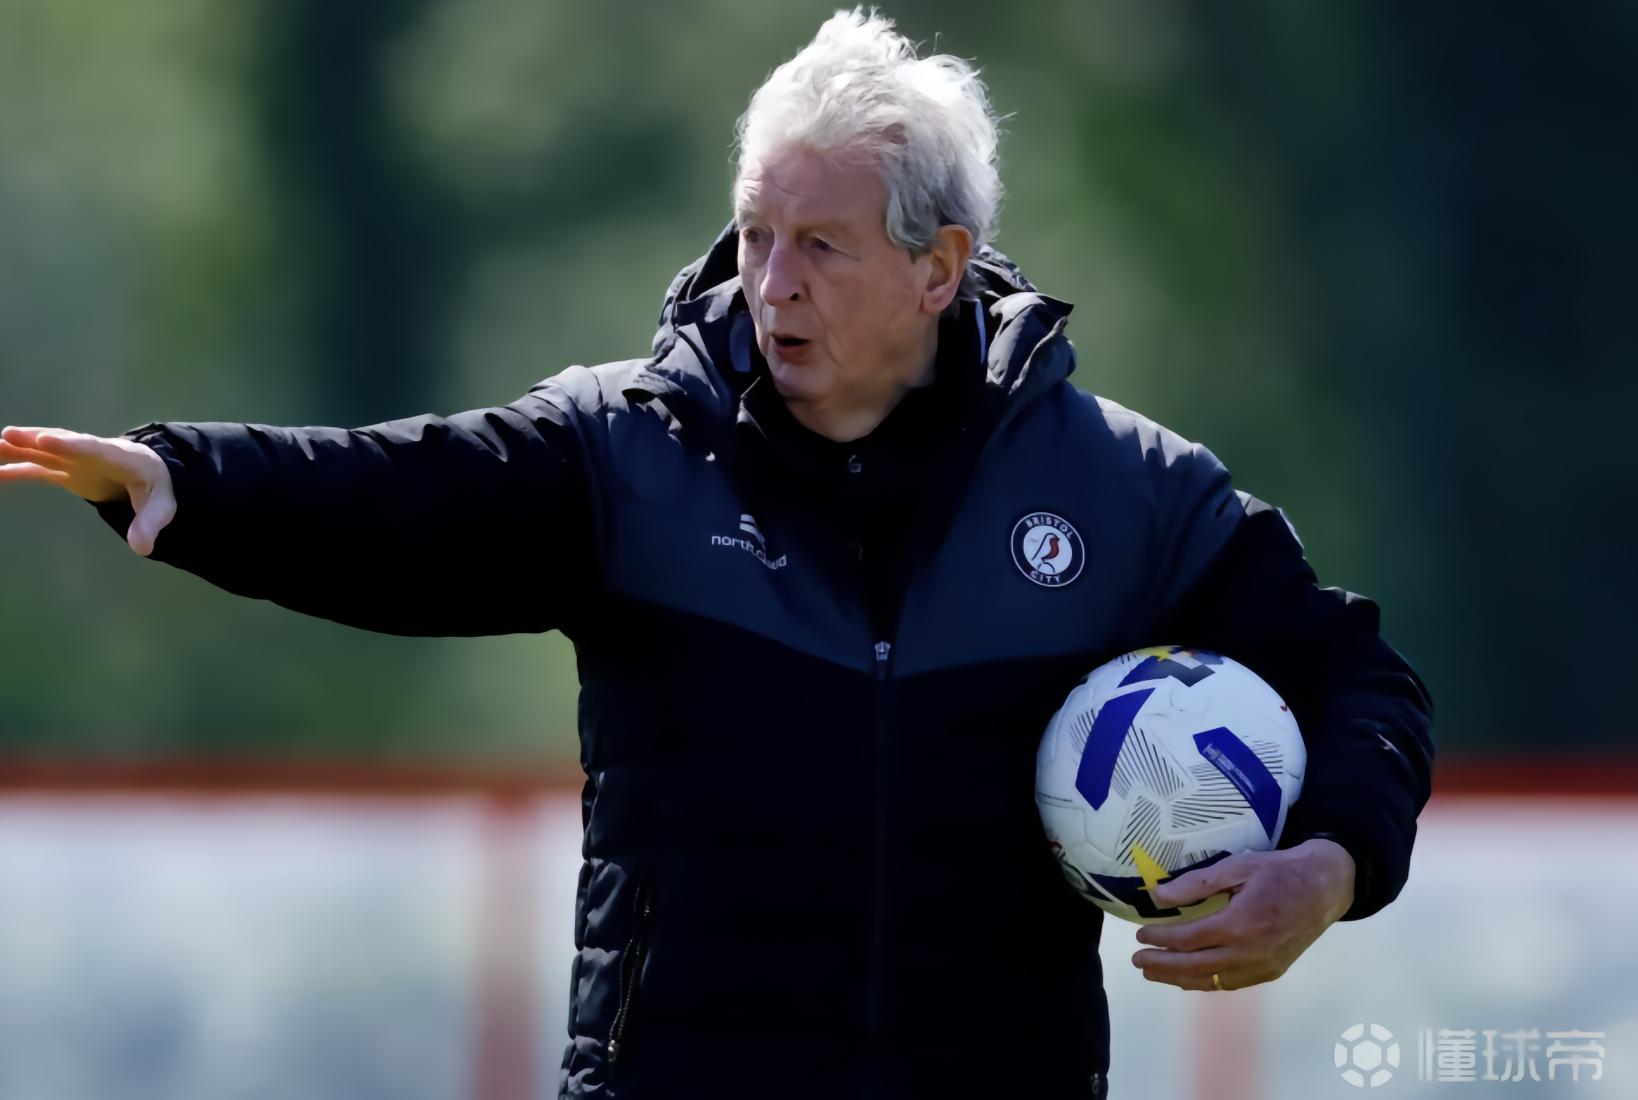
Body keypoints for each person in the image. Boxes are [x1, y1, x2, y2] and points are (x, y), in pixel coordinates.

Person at [0, 9, 1433, 1099]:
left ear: (938, 270)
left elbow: (1359, 680)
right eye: (755, 235)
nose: (772, 284)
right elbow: (400, 498)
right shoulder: (627, 451)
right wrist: (185, 479)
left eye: (821, 247)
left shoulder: (1121, 490)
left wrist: (1330, 864)